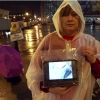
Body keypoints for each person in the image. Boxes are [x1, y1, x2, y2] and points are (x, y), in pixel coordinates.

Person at [26, 0, 100, 100]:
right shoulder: (49, 40)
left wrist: (93, 60)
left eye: (74, 14)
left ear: (80, 18)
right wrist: (48, 88)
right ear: (59, 19)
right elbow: (33, 74)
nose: (70, 19)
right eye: (65, 15)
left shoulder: (90, 42)